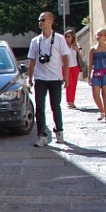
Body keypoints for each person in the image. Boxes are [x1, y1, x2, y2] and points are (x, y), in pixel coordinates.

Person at [27, 11, 71, 146]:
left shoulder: (59, 39)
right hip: (40, 78)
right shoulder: (35, 41)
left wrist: (66, 76)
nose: (40, 22)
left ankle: (59, 132)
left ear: (51, 21)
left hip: (55, 78)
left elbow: (65, 58)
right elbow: (32, 61)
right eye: (39, 20)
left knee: (55, 106)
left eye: (43, 20)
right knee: (39, 107)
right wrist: (30, 78)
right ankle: (42, 135)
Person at [88, 28, 106, 123]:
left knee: (105, 94)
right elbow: (90, 63)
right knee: (95, 94)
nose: (98, 36)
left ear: (105, 37)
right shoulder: (93, 49)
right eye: (97, 34)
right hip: (96, 72)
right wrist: (89, 75)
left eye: (100, 34)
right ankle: (102, 111)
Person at [64, 29, 82, 109]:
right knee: (69, 83)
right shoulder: (63, 46)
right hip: (66, 67)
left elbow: (80, 55)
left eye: (68, 37)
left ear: (72, 37)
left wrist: (77, 49)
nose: (67, 38)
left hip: (75, 67)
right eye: (66, 37)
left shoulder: (76, 45)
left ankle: (72, 100)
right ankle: (69, 101)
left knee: (74, 84)